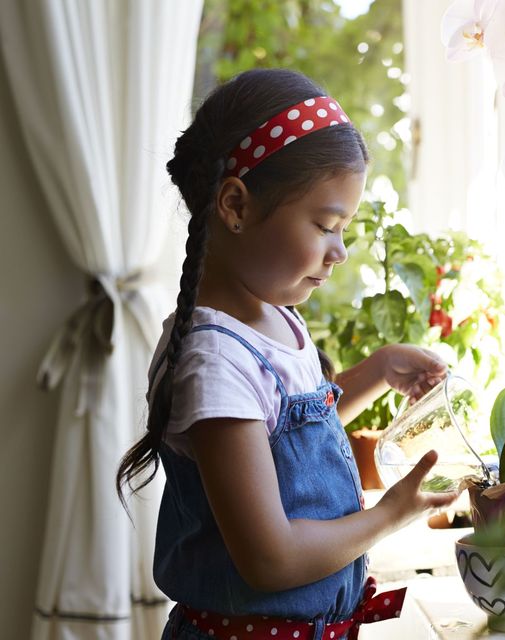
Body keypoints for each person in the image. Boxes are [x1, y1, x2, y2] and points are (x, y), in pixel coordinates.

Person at [115, 68, 457, 640]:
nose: (340, 251)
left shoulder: (273, 320)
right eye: (326, 225)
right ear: (235, 205)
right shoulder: (214, 363)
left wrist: (377, 370)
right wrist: (386, 517)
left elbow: (289, 437)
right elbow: (269, 559)